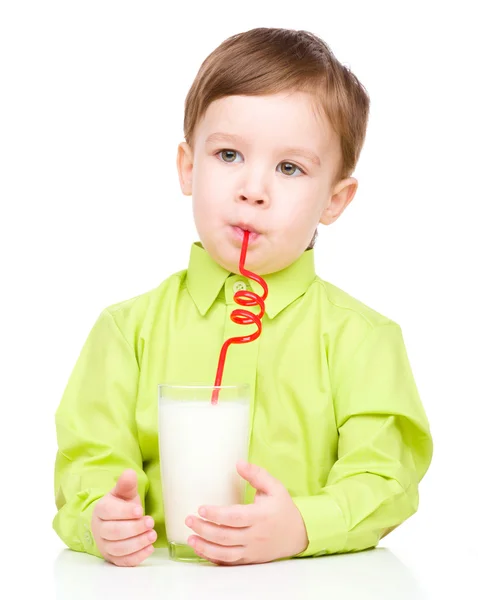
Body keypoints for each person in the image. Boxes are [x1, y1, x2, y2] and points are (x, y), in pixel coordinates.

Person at [53, 27, 433, 567]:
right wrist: (99, 517)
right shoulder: (126, 331)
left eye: (289, 167)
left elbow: (386, 475)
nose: (253, 188)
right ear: (189, 167)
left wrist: (303, 526)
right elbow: (88, 458)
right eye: (229, 154)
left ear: (336, 199)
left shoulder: (364, 340)